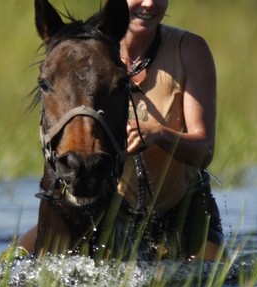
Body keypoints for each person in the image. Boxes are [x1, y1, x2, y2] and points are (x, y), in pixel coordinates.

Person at [18, 0, 224, 261]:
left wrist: (160, 134)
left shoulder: (190, 50)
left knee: (213, 276)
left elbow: (204, 150)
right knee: (12, 263)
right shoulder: (91, 57)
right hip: (113, 206)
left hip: (183, 209)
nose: (149, 3)